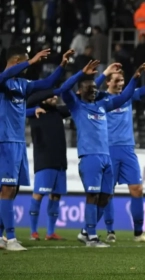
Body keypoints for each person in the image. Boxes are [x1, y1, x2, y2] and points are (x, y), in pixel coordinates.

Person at [61, 61, 145, 247]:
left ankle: (86, 231)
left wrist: (135, 78)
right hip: (90, 156)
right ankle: (92, 237)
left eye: (95, 88)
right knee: (92, 196)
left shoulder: (102, 105)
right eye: (89, 88)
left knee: (105, 197)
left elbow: (125, 96)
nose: (93, 90)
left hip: (106, 157)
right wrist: (86, 74)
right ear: (79, 92)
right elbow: (63, 88)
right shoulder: (76, 106)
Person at [0, 47, 74, 251]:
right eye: (24, 63)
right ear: (16, 61)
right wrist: (31, 62)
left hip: (18, 144)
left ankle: (0, 237)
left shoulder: (23, 84)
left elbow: (48, 84)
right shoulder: (2, 80)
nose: (28, 67)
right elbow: (6, 73)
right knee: (6, 189)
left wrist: (62, 65)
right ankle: (12, 239)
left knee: (12, 191)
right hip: (4, 142)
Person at [94, 63, 145, 243]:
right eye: (116, 80)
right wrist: (104, 72)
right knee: (108, 192)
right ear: (107, 82)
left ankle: (138, 233)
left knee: (137, 189)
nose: (121, 83)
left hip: (128, 149)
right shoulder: (101, 98)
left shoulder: (128, 96)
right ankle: (109, 231)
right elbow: (90, 88)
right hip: (109, 149)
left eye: (122, 80)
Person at [25, 67, 84, 241]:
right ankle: (33, 232)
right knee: (39, 194)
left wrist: (80, 94)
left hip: (60, 161)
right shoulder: (33, 109)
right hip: (44, 159)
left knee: (56, 195)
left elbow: (73, 106)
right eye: (50, 95)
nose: (54, 97)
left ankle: (50, 232)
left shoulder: (58, 112)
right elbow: (35, 98)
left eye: (54, 96)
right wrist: (50, 91)